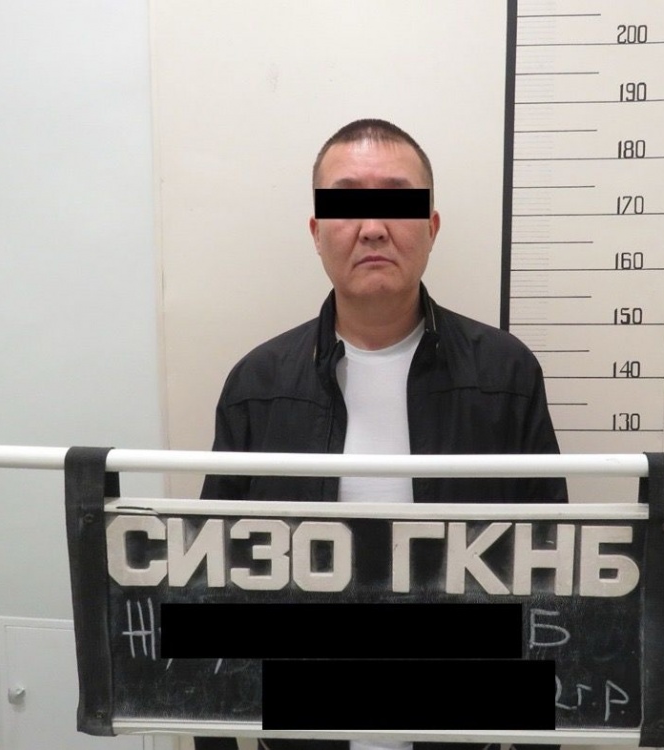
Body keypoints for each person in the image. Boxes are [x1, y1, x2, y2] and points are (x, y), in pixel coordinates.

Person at [199, 119, 566, 750]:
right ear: (317, 231)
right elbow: (214, 580)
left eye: (398, 202)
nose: (372, 227)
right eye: (346, 204)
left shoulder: (507, 376)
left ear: (432, 227)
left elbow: (552, 570)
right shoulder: (256, 385)